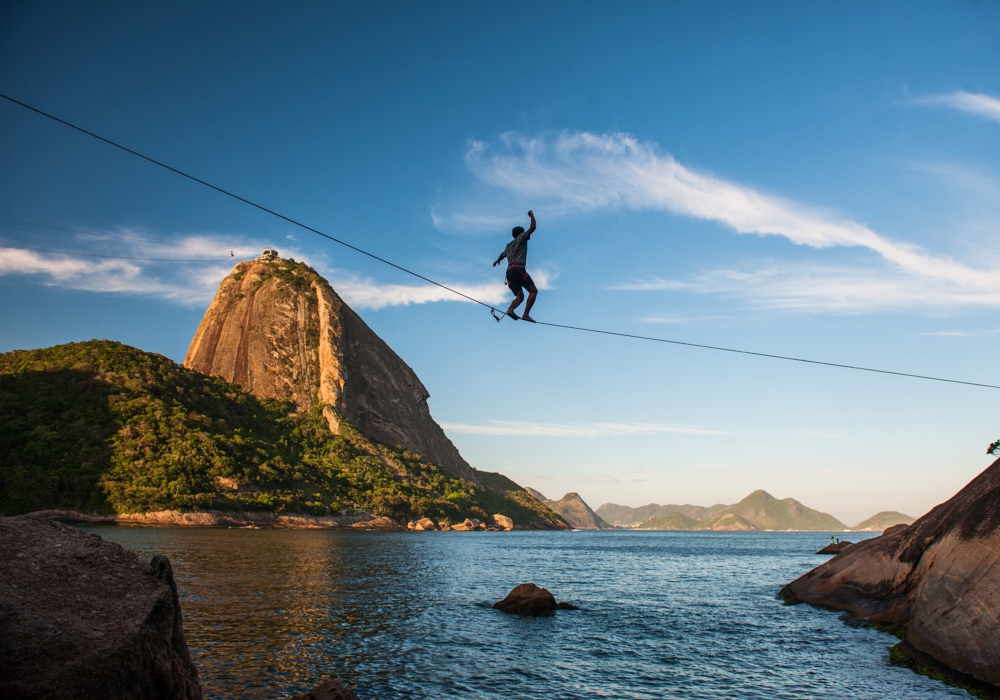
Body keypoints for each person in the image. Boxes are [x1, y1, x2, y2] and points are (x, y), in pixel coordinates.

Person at [493, 210, 538, 322]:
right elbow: (533, 227)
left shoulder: (508, 245)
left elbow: (502, 254)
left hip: (509, 273)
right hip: (518, 270)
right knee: (533, 291)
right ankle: (526, 314)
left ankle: (510, 310)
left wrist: (497, 260)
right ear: (521, 233)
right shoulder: (522, 237)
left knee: (520, 296)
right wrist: (532, 216)